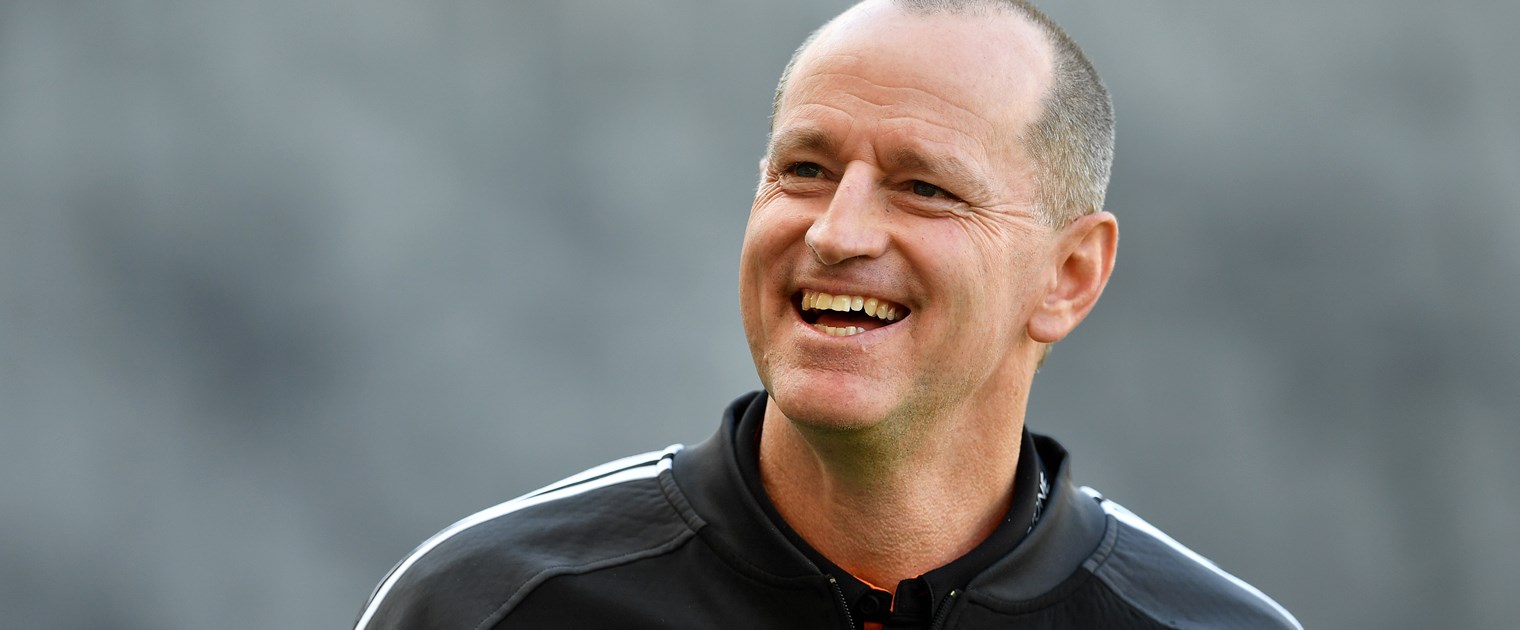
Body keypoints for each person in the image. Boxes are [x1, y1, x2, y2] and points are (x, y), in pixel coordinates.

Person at [354, 1, 1302, 628]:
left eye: (925, 187)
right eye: (804, 170)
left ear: (1068, 275)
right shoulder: (487, 606)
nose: (838, 233)